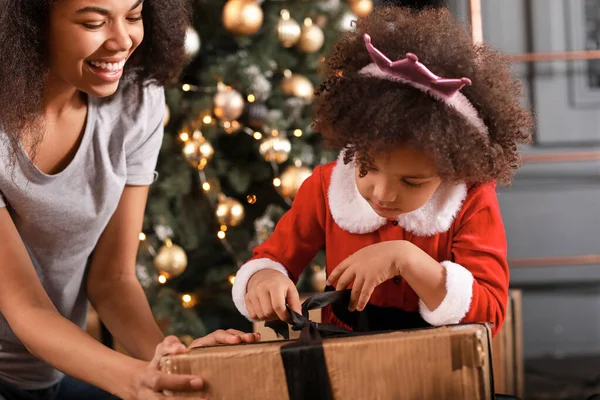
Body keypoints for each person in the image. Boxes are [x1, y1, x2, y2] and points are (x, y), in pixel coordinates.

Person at [0, 1, 259, 399]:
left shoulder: (136, 99)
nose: (123, 40)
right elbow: (25, 309)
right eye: (93, 22)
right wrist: (134, 379)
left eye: (134, 16)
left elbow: (113, 279)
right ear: (30, 23)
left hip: (52, 375)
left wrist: (171, 363)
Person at [232, 6, 533, 337]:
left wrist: (404, 258)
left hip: (438, 367)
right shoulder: (325, 187)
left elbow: (490, 312)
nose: (383, 193)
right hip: (344, 363)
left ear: (451, 169)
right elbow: (271, 258)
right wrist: (265, 278)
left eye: (411, 181)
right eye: (367, 167)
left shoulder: (471, 199)